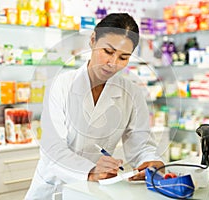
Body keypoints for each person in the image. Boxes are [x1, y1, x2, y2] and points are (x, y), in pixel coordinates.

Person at [26, 13, 164, 199]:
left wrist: (150, 162)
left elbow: (141, 145)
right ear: (93, 40)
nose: (113, 63)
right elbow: (53, 149)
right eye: (107, 52)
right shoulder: (60, 84)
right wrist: (90, 171)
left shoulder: (132, 93)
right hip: (54, 188)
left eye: (123, 57)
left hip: (95, 190)